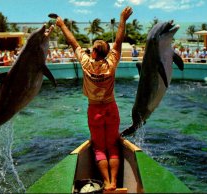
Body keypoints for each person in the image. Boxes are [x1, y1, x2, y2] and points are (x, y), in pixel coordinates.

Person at [55, 6, 133, 191]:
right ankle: (114, 181)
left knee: (99, 148)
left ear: (95, 53)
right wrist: (122, 20)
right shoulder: (112, 63)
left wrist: (61, 24)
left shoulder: (86, 63)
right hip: (111, 109)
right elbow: (119, 41)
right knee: (113, 146)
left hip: (95, 111)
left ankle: (106, 182)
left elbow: (73, 42)